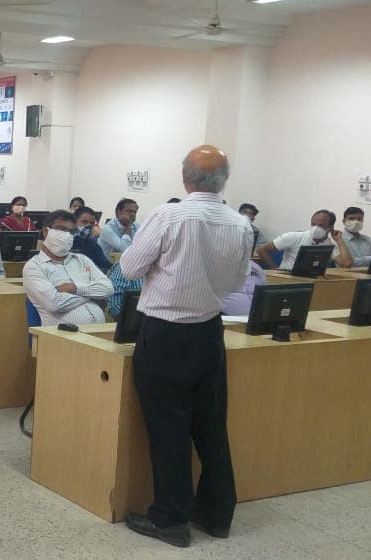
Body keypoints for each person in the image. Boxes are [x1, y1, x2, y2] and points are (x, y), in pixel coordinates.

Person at [119, 145, 253, 548]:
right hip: (210, 332)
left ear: (185, 178)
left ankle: (170, 519)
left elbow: (129, 268)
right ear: (224, 180)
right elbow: (237, 282)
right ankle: (216, 514)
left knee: (168, 427)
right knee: (211, 426)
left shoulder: (168, 216)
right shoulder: (240, 224)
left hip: (166, 333)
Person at [23, 210, 114, 326]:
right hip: (61, 334)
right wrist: (92, 295)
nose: (67, 235)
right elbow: (55, 304)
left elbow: (108, 289)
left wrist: (74, 288)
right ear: (46, 231)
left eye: (71, 231)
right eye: (62, 229)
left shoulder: (82, 260)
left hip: (99, 332)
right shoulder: (34, 267)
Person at [256, 210, 354, 270]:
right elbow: (261, 250)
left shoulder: (330, 244)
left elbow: (346, 264)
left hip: (314, 280)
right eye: (313, 224)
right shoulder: (294, 236)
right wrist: (275, 269)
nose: (315, 228)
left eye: (320, 225)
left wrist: (340, 240)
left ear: (330, 227)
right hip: (288, 278)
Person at [72, 207, 113, 274]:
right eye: (84, 222)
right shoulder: (65, 241)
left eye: (92, 223)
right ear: (74, 222)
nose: (88, 225)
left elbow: (105, 264)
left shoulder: (92, 242)